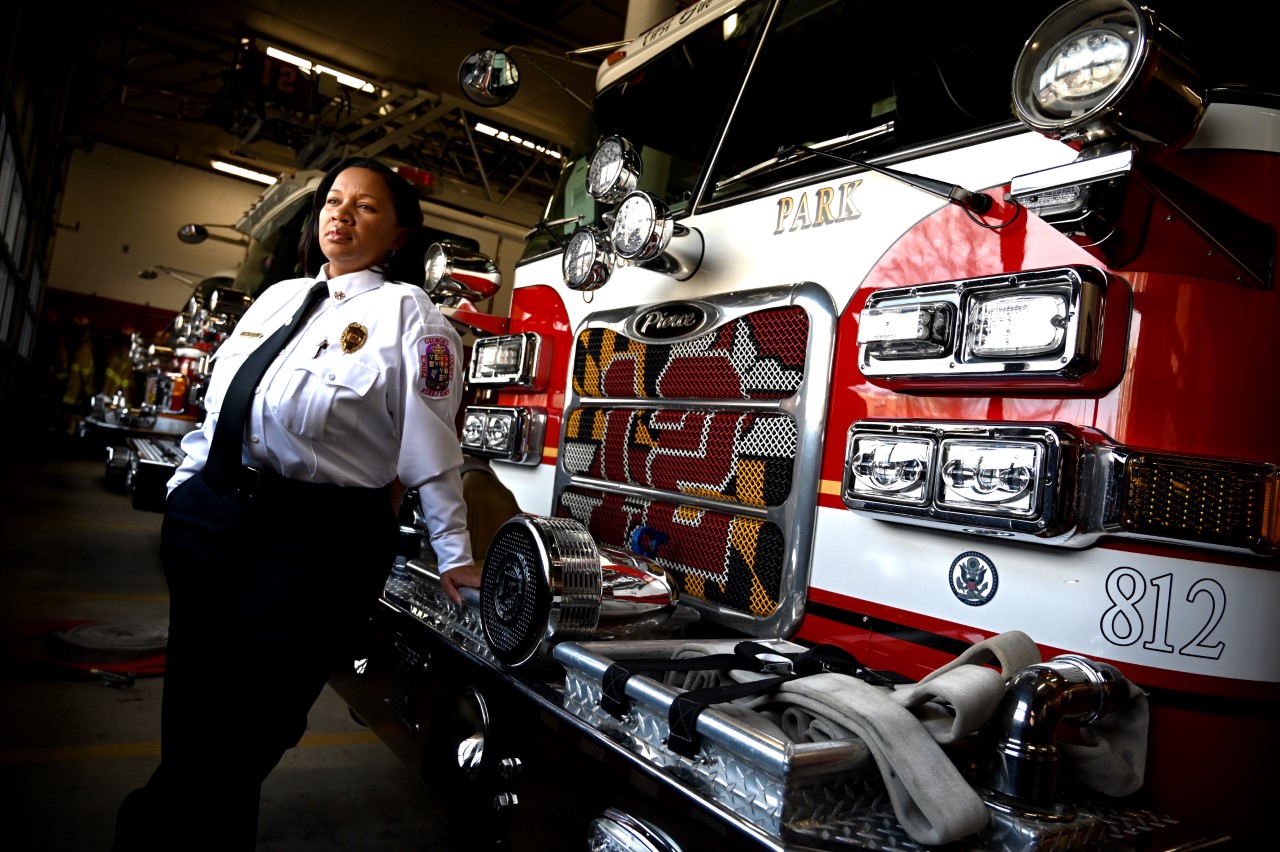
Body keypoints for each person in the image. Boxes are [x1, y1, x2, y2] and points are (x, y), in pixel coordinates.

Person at [113, 157, 482, 850]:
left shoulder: (412, 315)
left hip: (317, 544)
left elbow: (431, 449)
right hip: (213, 519)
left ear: (398, 235)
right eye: (334, 201)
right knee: (193, 717)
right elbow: (224, 403)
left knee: (251, 728)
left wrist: (455, 554)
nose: (342, 214)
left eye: (366, 206)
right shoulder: (278, 297)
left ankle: (146, 834)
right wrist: (185, 488)